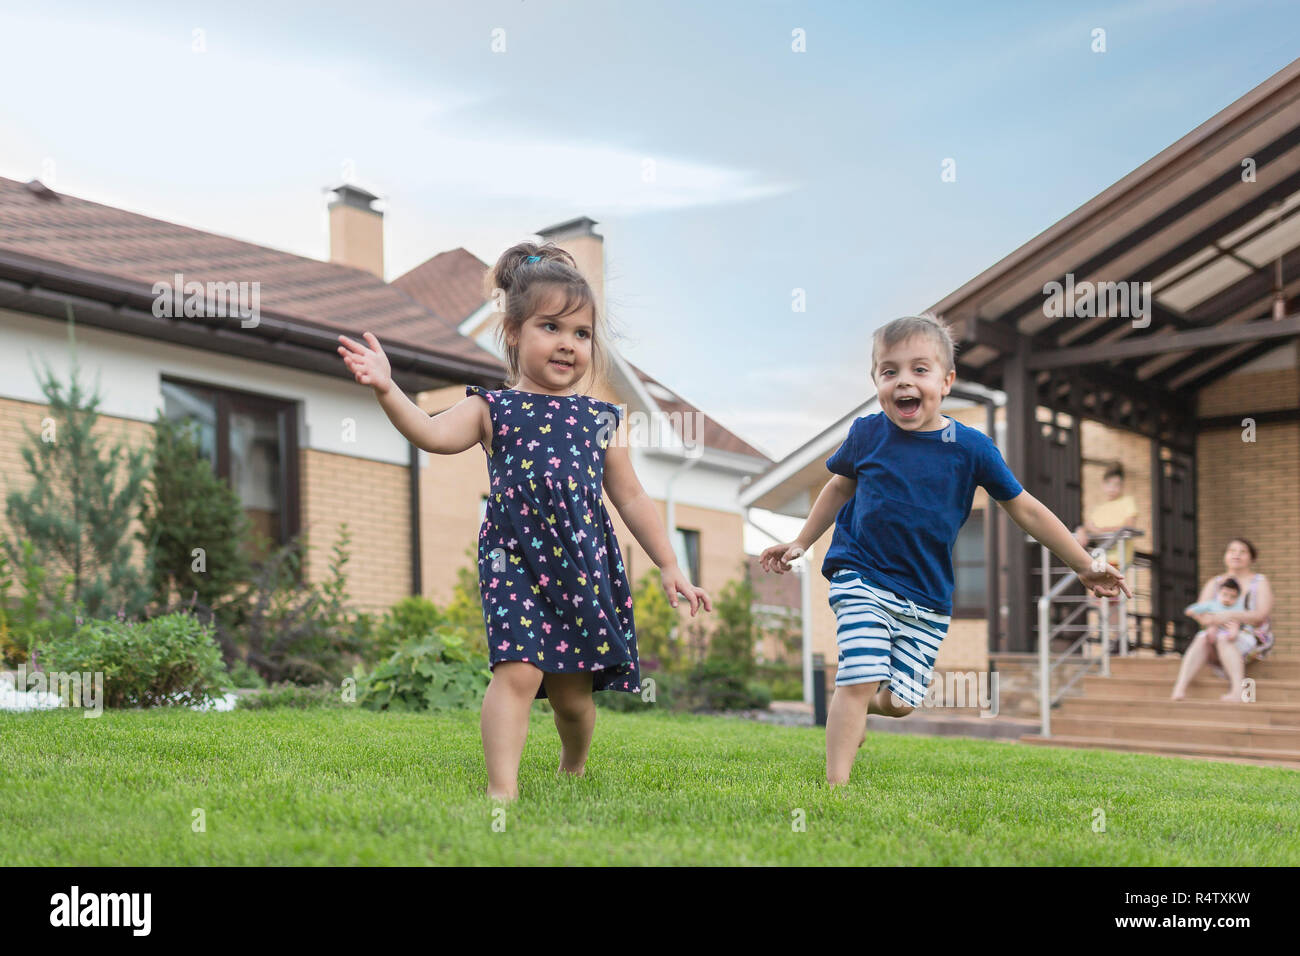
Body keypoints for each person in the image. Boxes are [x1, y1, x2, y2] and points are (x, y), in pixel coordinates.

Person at [338, 241, 711, 800]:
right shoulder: (493, 409)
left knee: (572, 697)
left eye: (581, 334)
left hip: (580, 566)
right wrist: (389, 389)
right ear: (513, 332)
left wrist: (668, 564)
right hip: (513, 560)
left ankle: (573, 762)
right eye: (551, 327)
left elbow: (630, 497)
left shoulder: (601, 419)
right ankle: (501, 791)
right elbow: (431, 434)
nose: (568, 344)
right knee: (517, 671)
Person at [760, 314, 1130, 787]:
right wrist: (801, 541)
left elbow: (1027, 511)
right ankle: (836, 787)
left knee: (899, 703)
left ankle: (853, 709)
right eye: (889, 372)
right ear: (875, 380)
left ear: (947, 380)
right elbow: (837, 488)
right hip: (861, 575)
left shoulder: (971, 448)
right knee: (857, 675)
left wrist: (1083, 563)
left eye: (919, 369)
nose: (903, 382)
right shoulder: (867, 434)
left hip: (927, 597)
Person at [1171, 538, 1274, 703]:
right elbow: (1201, 611)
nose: (1236, 555)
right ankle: (1180, 687)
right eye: (1232, 551)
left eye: (1242, 551)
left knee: (1224, 639)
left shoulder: (1259, 582)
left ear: (1252, 557)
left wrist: (1231, 616)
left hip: (1251, 635)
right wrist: (1214, 621)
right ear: (1225, 556)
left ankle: (1237, 691)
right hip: (1216, 633)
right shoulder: (1215, 582)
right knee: (1201, 638)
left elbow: (1261, 614)